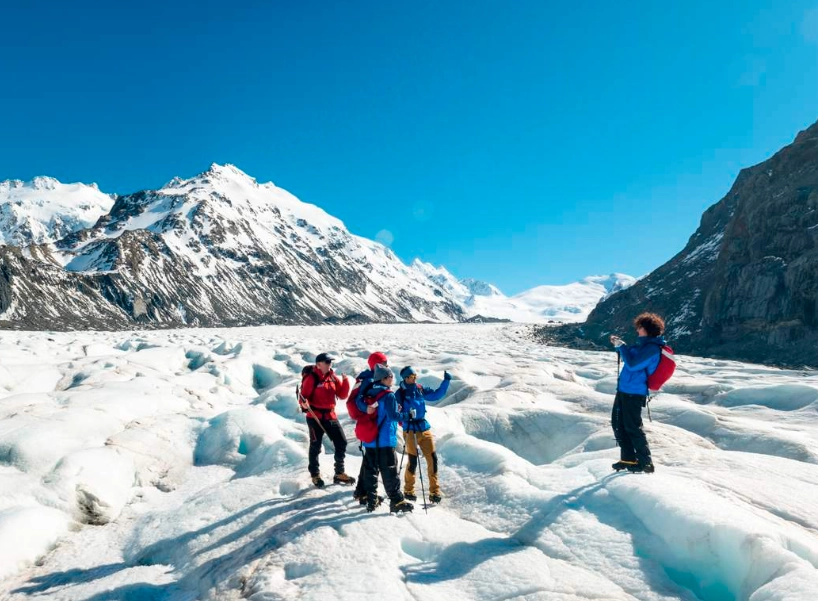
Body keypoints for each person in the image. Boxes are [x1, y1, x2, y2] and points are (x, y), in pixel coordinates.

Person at [609, 312, 666, 474]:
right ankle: (628, 458)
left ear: (647, 329)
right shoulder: (643, 346)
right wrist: (620, 345)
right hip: (624, 390)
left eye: (639, 327)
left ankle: (645, 462)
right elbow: (631, 358)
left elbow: (633, 365)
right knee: (619, 424)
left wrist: (622, 347)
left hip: (634, 392)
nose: (637, 330)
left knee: (632, 426)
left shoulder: (652, 349)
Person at [360, 364, 413, 513]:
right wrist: (408, 415)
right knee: (389, 471)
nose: (392, 378)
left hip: (370, 440)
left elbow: (373, 409)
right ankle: (396, 501)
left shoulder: (369, 392)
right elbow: (393, 416)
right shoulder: (388, 395)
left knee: (371, 470)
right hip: (384, 439)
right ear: (383, 378)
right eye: (390, 376)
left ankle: (371, 499)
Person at [299, 352, 355, 487]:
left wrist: (345, 381)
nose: (330, 364)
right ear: (319, 364)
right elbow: (303, 397)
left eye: (330, 362)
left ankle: (339, 473)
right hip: (314, 417)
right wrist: (304, 404)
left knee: (341, 442)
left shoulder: (332, 377)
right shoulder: (311, 378)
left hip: (330, 416)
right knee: (315, 446)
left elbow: (342, 395)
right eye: (327, 362)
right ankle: (315, 474)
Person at [397, 366, 451, 503]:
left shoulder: (419, 388)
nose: (415, 378)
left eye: (415, 376)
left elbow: (436, 395)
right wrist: (406, 417)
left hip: (423, 427)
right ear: (405, 378)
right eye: (412, 376)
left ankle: (435, 491)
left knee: (432, 458)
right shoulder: (400, 393)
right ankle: (408, 490)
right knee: (413, 460)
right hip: (410, 430)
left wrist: (446, 381)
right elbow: (396, 413)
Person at [350, 352, 389, 505]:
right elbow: (360, 399)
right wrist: (366, 409)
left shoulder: (370, 377)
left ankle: (361, 491)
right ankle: (366, 494)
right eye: (384, 362)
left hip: (372, 421)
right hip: (370, 421)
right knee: (372, 460)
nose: (386, 365)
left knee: (369, 459)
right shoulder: (370, 379)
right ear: (376, 364)